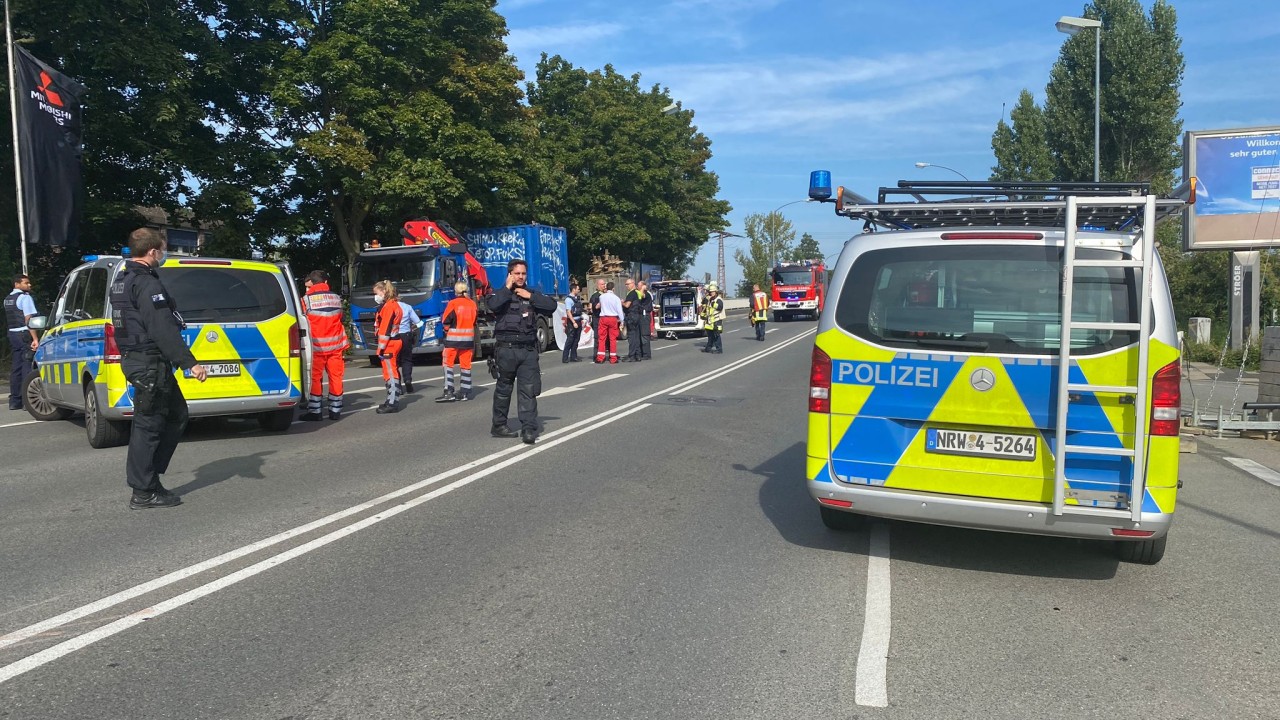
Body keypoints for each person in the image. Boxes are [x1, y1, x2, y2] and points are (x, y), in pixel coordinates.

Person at [110, 228, 208, 509]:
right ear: (153, 251)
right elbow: (162, 328)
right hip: (149, 362)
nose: (163, 254)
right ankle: (143, 490)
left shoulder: (122, 279)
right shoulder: (146, 284)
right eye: (163, 250)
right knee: (149, 426)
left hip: (142, 361)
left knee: (176, 414)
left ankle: (150, 481)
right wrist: (189, 363)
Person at [488, 259, 556, 443]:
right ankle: (499, 425)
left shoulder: (532, 293)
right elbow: (492, 305)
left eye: (523, 273)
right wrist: (506, 288)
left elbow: (552, 306)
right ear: (510, 274)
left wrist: (530, 296)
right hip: (506, 350)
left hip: (527, 350)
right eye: (517, 273)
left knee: (528, 390)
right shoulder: (499, 293)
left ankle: (528, 428)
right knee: (503, 389)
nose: (520, 277)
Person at [299, 270, 348, 421]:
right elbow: (340, 317)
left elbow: (301, 321)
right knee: (336, 377)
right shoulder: (336, 298)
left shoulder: (306, 300)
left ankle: (315, 411)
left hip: (317, 347)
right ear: (325, 282)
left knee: (314, 378)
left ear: (312, 283)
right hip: (335, 346)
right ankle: (335, 410)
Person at [437, 281, 478, 403]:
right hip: (468, 340)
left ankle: (449, 392)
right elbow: (474, 321)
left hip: (453, 340)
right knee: (465, 366)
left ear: (456, 291)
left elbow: (446, 321)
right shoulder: (472, 304)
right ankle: (464, 393)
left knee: (448, 364)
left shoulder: (453, 303)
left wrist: (446, 330)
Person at [6, 274, 38, 410]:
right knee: (27, 366)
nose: (29, 285)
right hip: (24, 334)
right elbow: (28, 320)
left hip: (12, 334)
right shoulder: (25, 298)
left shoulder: (8, 299)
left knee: (16, 367)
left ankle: (15, 400)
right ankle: (27, 401)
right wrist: (35, 339)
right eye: (26, 283)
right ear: (17, 284)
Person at [373, 280, 404, 413]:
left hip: (389, 344)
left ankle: (392, 402)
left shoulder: (389, 307)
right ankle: (391, 399)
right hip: (394, 341)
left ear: (384, 291)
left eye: (377, 293)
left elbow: (385, 330)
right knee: (390, 372)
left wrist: (380, 348)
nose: (375, 296)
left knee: (391, 373)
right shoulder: (394, 305)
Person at [396, 296, 423, 393]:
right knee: (406, 360)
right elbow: (419, 323)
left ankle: (397, 385)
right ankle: (407, 380)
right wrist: (412, 327)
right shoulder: (407, 307)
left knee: (394, 361)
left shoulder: (388, 307)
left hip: (393, 337)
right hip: (406, 335)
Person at [594, 281, 624, 364]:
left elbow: (599, 305)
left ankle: (600, 357)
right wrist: (622, 321)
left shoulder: (602, 297)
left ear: (606, 288)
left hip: (603, 318)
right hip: (613, 318)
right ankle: (613, 358)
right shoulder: (616, 298)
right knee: (612, 339)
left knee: (602, 338)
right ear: (613, 289)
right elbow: (620, 311)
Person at [562, 284, 584, 363]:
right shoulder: (568, 299)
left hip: (578, 320)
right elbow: (568, 312)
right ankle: (565, 357)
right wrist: (573, 322)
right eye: (578, 289)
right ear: (573, 289)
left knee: (576, 339)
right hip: (572, 322)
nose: (579, 290)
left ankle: (573, 357)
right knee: (570, 340)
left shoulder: (577, 299)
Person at [700, 282, 725, 354]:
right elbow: (707, 308)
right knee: (710, 336)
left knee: (716, 335)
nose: (711, 293)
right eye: (710, 292)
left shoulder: (718, 299)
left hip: (716, 320)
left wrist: (713, 304)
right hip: (710, 320)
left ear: (716, 292)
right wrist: (703, 315)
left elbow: (720, 307)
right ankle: (708, 348)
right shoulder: (710, 299)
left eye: (713, 292)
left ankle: (719, 349)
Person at [588, 278, 606, 363]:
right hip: (597, 318)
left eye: (604, 284)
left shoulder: (604, 294)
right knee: (598, 337)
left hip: (604, 318)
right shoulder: (596, 296)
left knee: (604, 337)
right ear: (598, 285)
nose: (604, 286)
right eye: (602, 284)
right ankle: (596, 355)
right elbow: (593, 306)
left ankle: (603, 354)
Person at [637, 280, 654, 359]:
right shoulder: (641, 293)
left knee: (644, 335)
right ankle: (642, 353)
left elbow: (641, 296)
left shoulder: (646, 294)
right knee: (640, 335)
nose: (638, 287)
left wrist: (642, 289)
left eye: (639, 285)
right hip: (641, 316)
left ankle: (646, 354)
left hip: (645, 316)